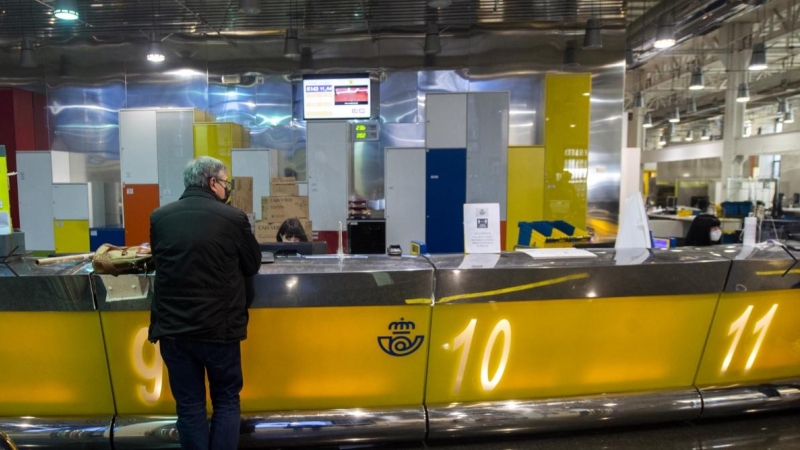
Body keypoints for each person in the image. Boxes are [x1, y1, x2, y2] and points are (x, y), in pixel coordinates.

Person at [149, 156, 261, 450]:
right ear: (213, 183)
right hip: (219, 330)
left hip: (174, 331)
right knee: (225, 400)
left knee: (189, 406)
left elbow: (160, 262)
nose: (227, 189)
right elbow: (252, 264)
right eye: (226, 183)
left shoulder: (159, 217)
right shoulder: (234, 219)